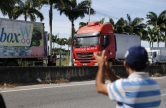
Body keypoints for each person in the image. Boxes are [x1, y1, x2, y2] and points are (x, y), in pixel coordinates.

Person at [94, 45, 161, 108]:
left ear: (125, 64)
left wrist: (101, 66)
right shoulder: (155, 86)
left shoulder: (124, 86)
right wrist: (107, 69)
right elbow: (118, 84)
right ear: (148, 64)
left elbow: (99, 87)